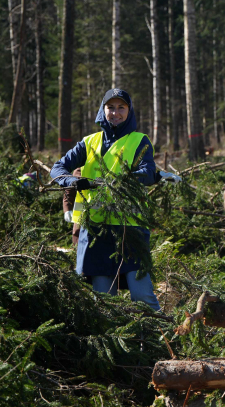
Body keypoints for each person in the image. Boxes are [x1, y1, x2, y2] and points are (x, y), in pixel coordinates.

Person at [49, 88, 181, 310]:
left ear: (129, 111)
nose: (115, 113)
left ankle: (162, 339)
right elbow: (58, 168)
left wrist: (114, 182)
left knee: (142, 296)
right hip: (96, 231)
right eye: (110, 107)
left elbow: (146, 173)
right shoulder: (89, 142)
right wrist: (71, 182)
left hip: (130, 229)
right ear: (103, 110)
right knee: (104, 300)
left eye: (121, 107)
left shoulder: (140, 141)